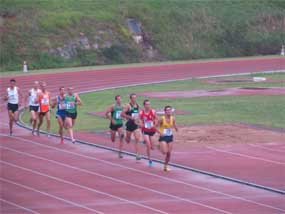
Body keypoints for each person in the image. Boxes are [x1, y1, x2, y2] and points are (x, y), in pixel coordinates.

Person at [157, 106, 178, 172]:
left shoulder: (173, 118)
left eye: (170, 110)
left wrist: (176, 128)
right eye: (168, 110)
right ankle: (159, 146)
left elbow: (174, 124)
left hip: (170, 136)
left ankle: (165, 166)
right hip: (163, 137)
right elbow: (154, 127)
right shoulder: (161, 119)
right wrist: (160, 132)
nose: (169, 111)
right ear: (165, 112)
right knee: (164, 152)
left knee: (169, 153)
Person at [121, 93, 142, 161]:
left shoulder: (137, 105)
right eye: (133, 98)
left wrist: (139, 121)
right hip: (129, 124)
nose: (134, 99)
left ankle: (138, 154)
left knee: (137, 139)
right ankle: (124, 136)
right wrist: (130, 117)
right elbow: (122, 114)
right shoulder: (128, 106)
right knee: (128, 140)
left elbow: (139, 114)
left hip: (135, 124)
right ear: (130, 99)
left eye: (135, 98)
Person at [139, 99, 157, 167]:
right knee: (149, 145)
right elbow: (138, 121)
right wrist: (141, 124)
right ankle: (150, 160)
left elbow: (157, 119)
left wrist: (154, 124)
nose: (148, 106)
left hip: (152, 130)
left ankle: (146, 143)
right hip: (145, 130)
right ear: (144, 105)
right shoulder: (141, 113)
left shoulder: (153, 111)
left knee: (152, 147)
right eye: (146, 104)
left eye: (149, 104)